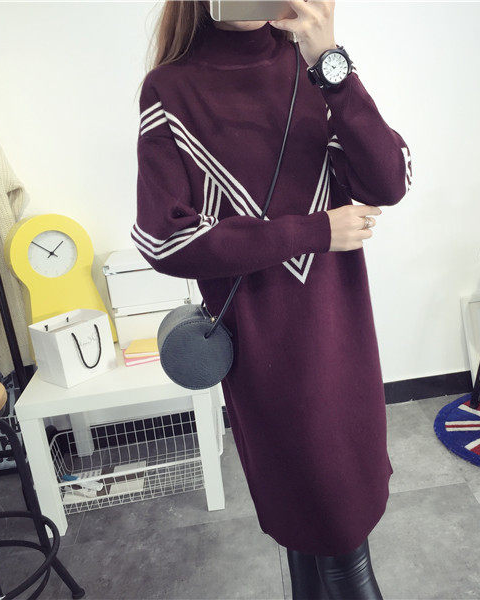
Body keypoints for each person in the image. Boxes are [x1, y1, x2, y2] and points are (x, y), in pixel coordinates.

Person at [132, 1, 412, 597]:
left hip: (341, 340)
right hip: (264, 354)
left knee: (339, 531)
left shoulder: (313, 69)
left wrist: (330, 61)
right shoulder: (170, 90)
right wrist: (313, 231)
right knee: (308, 528)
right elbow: (164, 239)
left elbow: (390, 180)